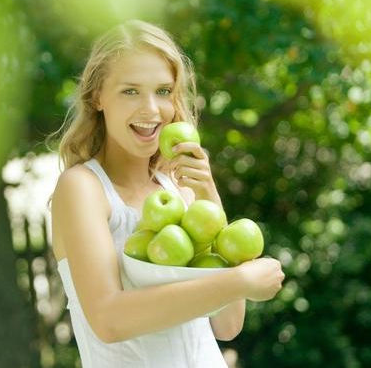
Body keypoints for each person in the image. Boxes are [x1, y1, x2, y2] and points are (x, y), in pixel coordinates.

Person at [48, 19, 285, 367]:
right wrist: (239, 280)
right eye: (130, 91)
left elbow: (227, 324)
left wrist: (208, 196)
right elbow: (110, 320)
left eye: (162, 91)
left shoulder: (180, 190)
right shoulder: (82, 188)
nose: (152, 109)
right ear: (97, 96)